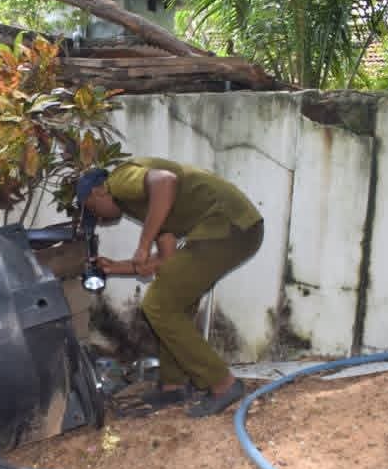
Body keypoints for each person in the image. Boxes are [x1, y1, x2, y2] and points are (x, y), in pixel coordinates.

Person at [77, 157, 264, 417]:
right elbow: (166, 259)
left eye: (92, 209)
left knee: (159, 304)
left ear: (99, 191)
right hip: (232, 227)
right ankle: (173, 386)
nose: (98, 218)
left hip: (228, 225)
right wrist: (115, 267)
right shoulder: (146, 206)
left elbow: (165, 181)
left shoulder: (118, 180)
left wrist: (143, 245)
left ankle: (223, 384)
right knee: (173, 300)